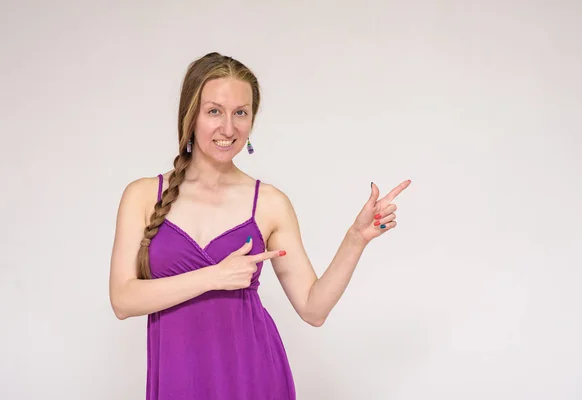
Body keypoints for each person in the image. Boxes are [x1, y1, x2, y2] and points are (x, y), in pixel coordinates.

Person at [108, 52, 411, 400]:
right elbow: (122, 300)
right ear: (190, 115)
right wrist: (214, 277)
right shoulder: (143, 196)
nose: (228, 128)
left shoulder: (269, 203)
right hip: (180, 379)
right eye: (214, 111)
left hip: (252, 378)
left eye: (241, 112)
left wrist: (355, 239)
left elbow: (313, 309)